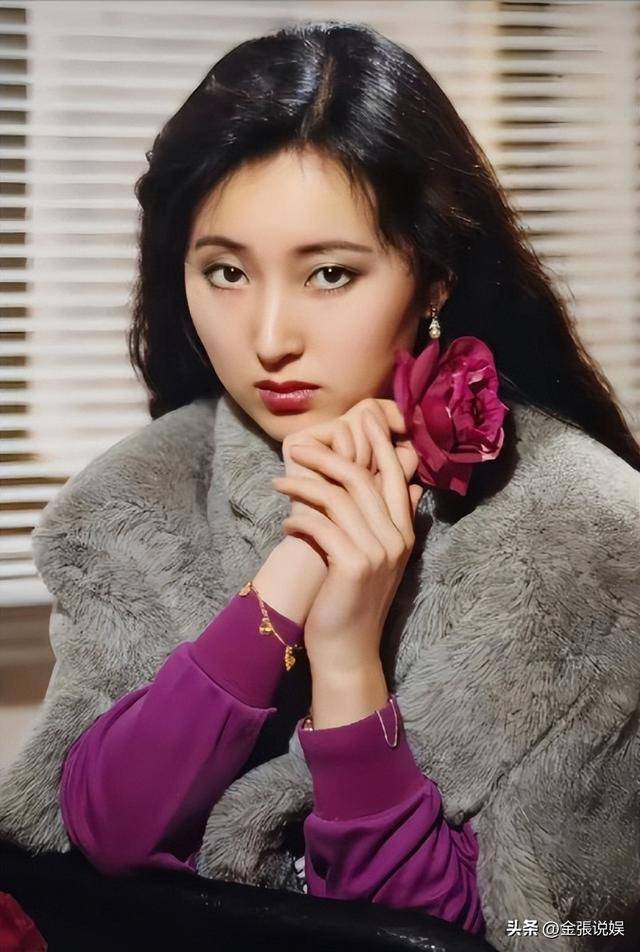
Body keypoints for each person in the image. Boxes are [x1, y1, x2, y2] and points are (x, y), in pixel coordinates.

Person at [0, 20, 638, 952]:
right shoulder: (127, 503)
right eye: (225, 271)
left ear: (433, 278)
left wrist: (346, 660)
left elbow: (528, 930)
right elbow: (103, 837)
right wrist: (293, 570)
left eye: (330, 274)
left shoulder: (597, 544)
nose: (268, 338)